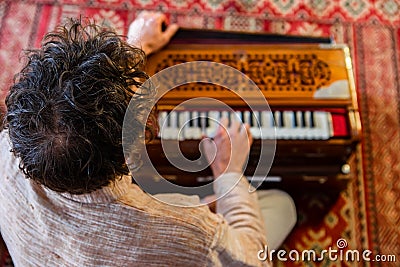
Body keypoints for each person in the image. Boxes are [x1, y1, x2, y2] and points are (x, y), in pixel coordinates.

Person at [0, 11, 296, 266]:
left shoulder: (8, 146)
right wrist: (228, 172)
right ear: (131, 153)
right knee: (283, 207)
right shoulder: (189, 231)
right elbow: (252, 260)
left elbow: (71, 119)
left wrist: (135, 47)